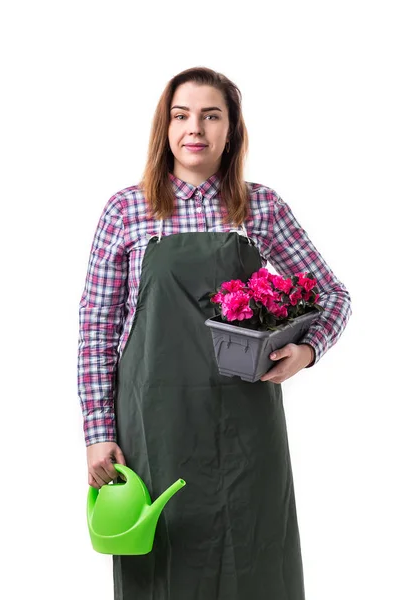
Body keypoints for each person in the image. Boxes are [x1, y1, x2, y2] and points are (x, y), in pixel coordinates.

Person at [77, 66, 352, 599]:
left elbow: (333, 295)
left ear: (231, 130)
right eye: (181, 115)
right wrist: (97, 430)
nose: (194, 128)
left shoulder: (261, 207)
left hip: (246, 426)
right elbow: (96, 328)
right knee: (163, 567)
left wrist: (307, 350)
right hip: (153, 425)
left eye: (210, 115)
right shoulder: (127, 210)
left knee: (254, 558)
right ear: (166, 126)